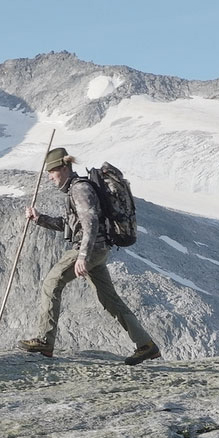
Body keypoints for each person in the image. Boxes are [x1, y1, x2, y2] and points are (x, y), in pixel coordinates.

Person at [18, 147, 160, 365]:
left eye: (52, 171)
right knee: (109, 299)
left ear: (64, 168)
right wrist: (40, 219)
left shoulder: (80, 189)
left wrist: (82, 256)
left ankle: (45, 341)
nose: (49, 176)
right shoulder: (77, 189)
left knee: (51, 283)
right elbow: (71, 225)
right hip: (99, 250)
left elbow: (90, 222)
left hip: (90, 250)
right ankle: (146, 345)